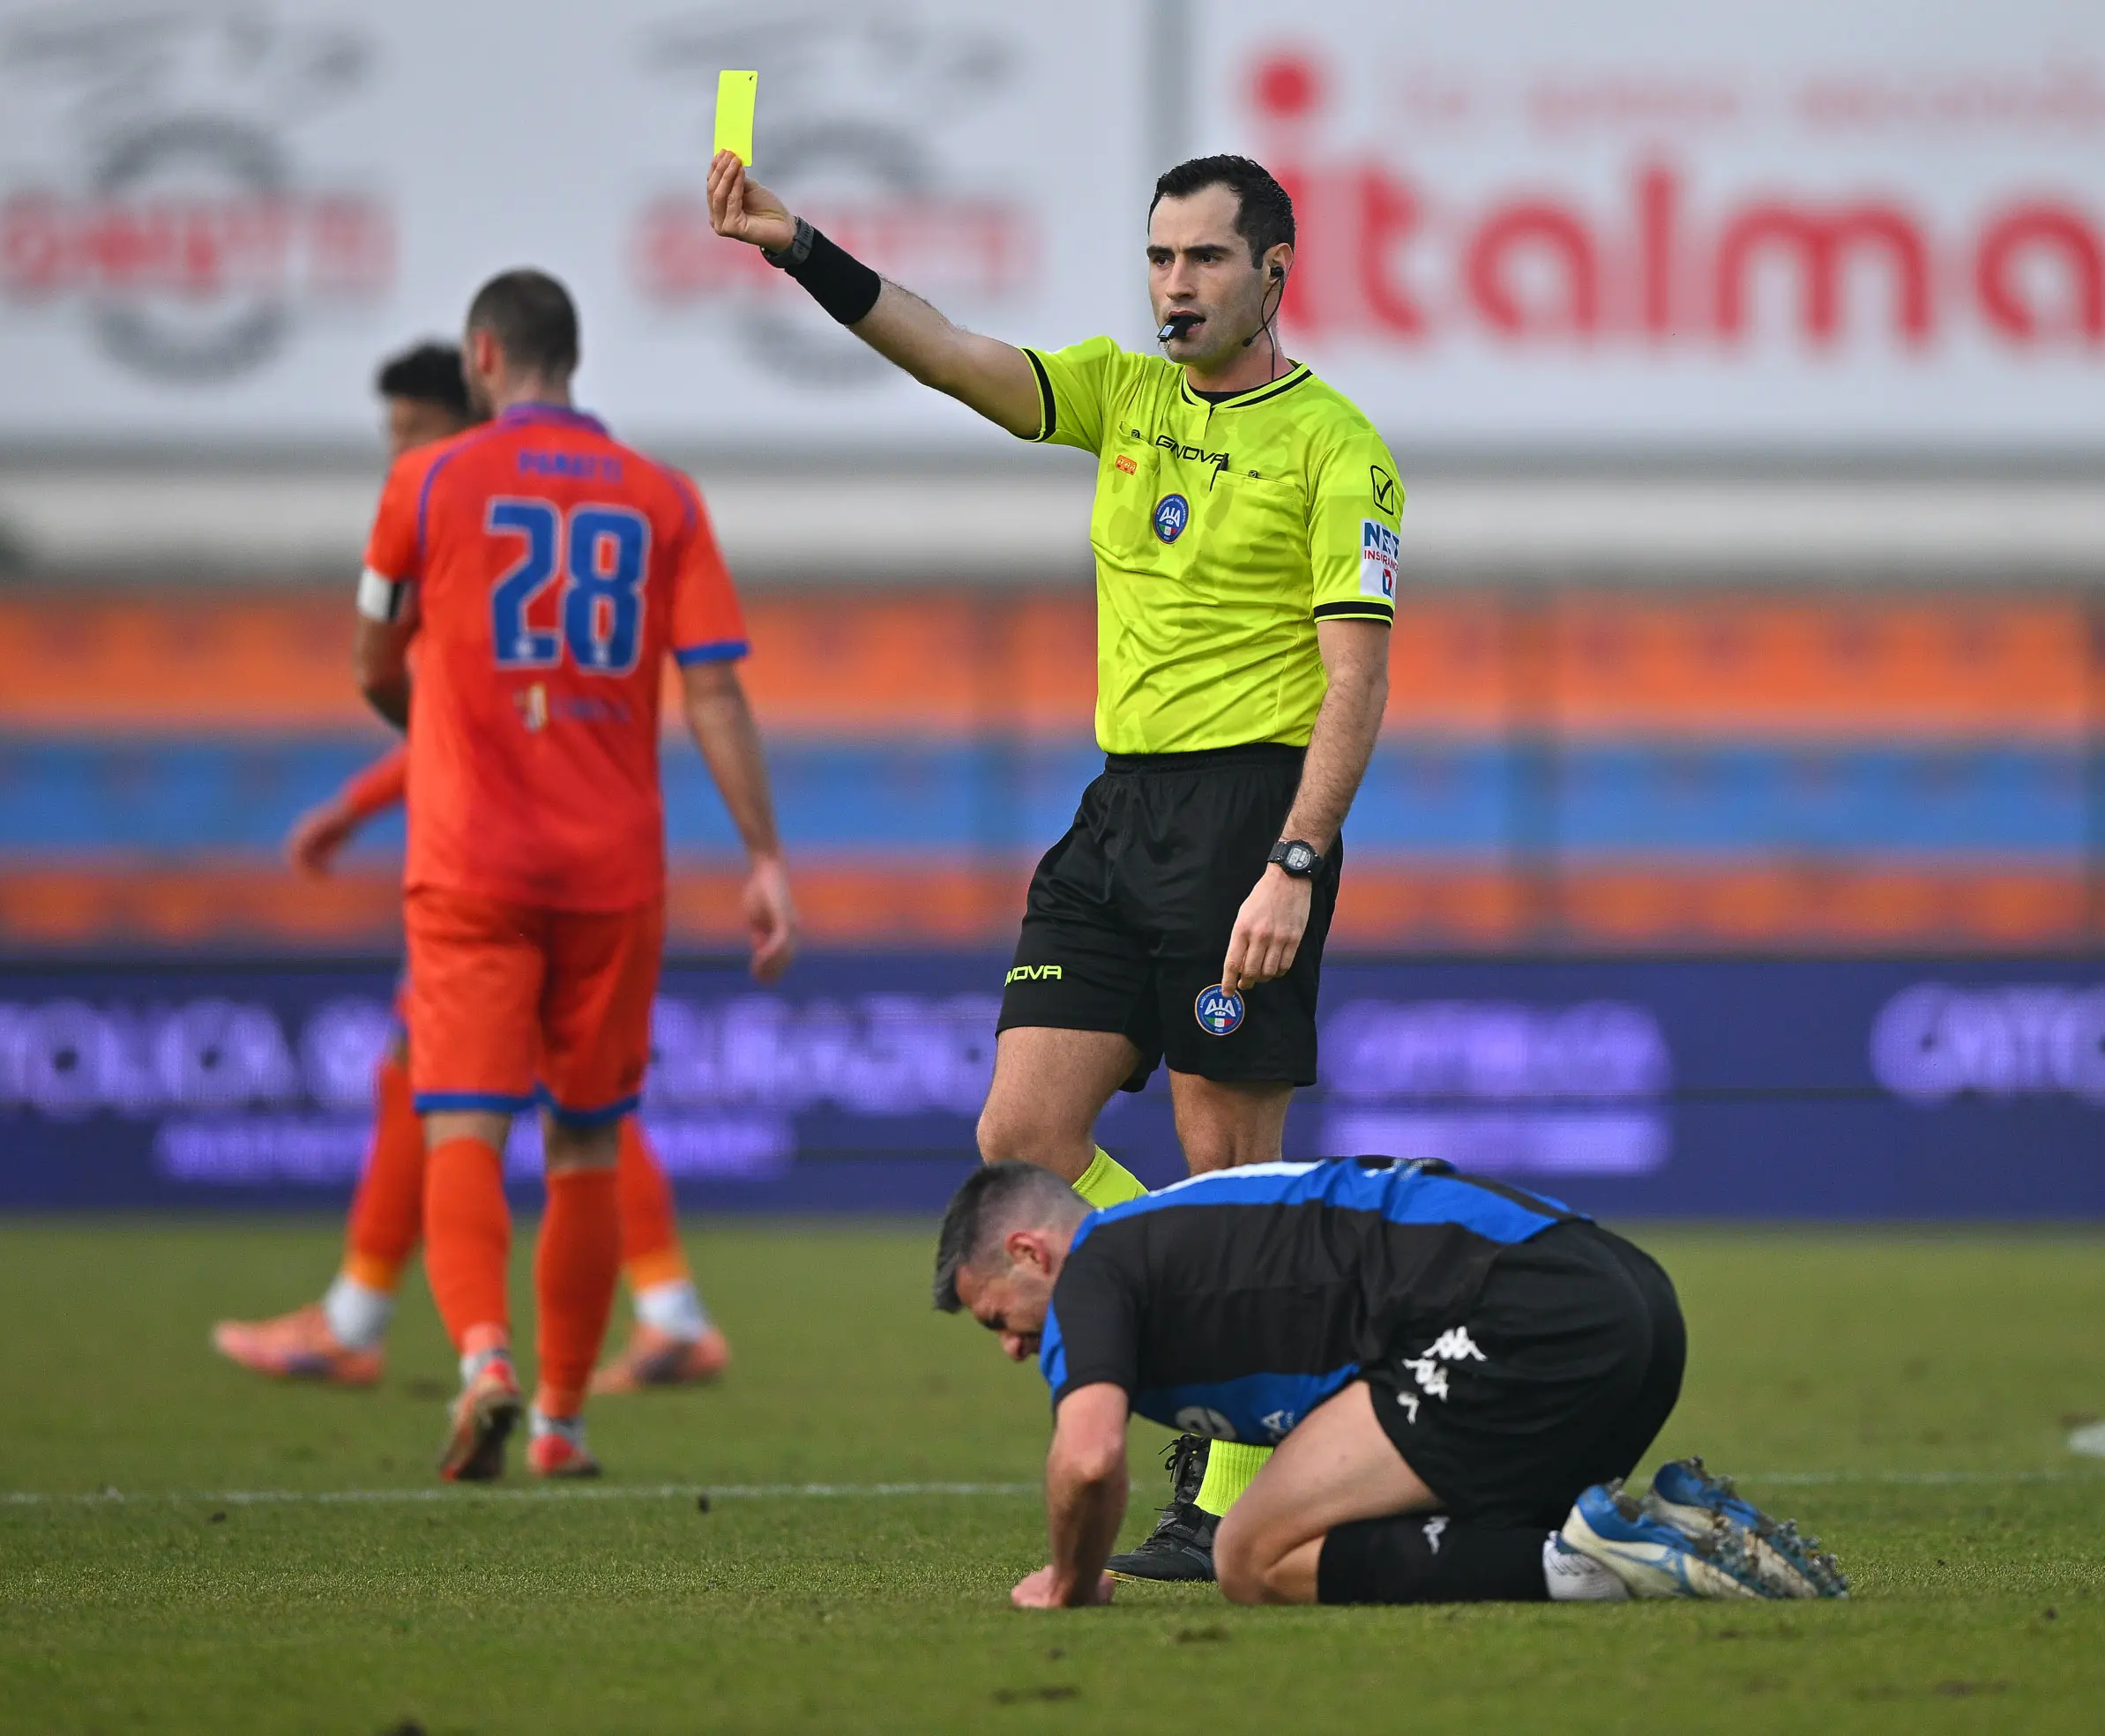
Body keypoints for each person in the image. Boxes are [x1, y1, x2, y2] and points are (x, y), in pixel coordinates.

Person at [709, 148, 1400, 1576]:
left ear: (1272, 271)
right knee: (1020, 1134)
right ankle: (1231, 1285)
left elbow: (1354, 682)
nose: (1172, 285)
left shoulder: (1338, 445)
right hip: (1114, 815)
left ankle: (1220, 1478)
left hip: (1243, 823)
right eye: (1157, 258)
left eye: (1202, 259)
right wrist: (797, 247)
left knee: (1228, 1164)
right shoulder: (1121, 391)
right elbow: (954, 355)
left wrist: (1292, 859)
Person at [211, 342, 729, 1397]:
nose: (397, 454)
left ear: (471, 408)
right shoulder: (570, 516)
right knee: (559, 1100)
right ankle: (659, 1308)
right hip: (575, 865)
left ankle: (376, 1320)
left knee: (510, 1097)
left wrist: (354, 808)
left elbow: (455, 717)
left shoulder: (460, 519)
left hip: (494, 874)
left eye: (409, 433)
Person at [352, 271, 796, 1479]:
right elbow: (712, 687)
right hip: (613, 871)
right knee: (589, 1143)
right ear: (573, 358)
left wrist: (433, 729)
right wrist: (762, 855)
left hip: (469, 865)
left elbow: (372, 661)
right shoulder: (661, 498)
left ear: (481, 355)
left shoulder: (425, 480)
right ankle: (560, 1420)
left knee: (461, 1126)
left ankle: (485, 1354)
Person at [933, 1158, 1849, 1608]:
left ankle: (1590, 1564)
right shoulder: (1166, 1237)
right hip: (1629, 1298)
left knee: (1249, 1556)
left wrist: (1069, 1576)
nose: (1011, 1348)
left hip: (1519, 1313)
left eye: (996, 1319)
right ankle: (1676, 1528)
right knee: (1355, 1529)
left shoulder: (1091, 1261)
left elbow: (1089, 1458)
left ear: (1028, 1251)